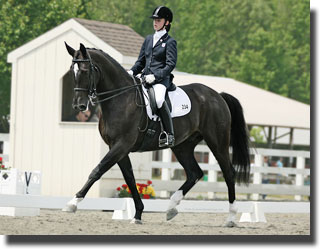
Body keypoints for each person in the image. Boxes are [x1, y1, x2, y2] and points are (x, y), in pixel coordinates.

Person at [127, 6, 177, 147]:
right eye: (154, 20)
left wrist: (155, 77)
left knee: (159, 100)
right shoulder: (148, 39)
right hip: (145, 78)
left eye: (158, 20)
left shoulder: (170, 42)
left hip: (161, 80)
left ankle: (169, 134)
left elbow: (170, 65)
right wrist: (132, 72)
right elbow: (141, 61)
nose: (155, 23)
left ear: (166, 22)